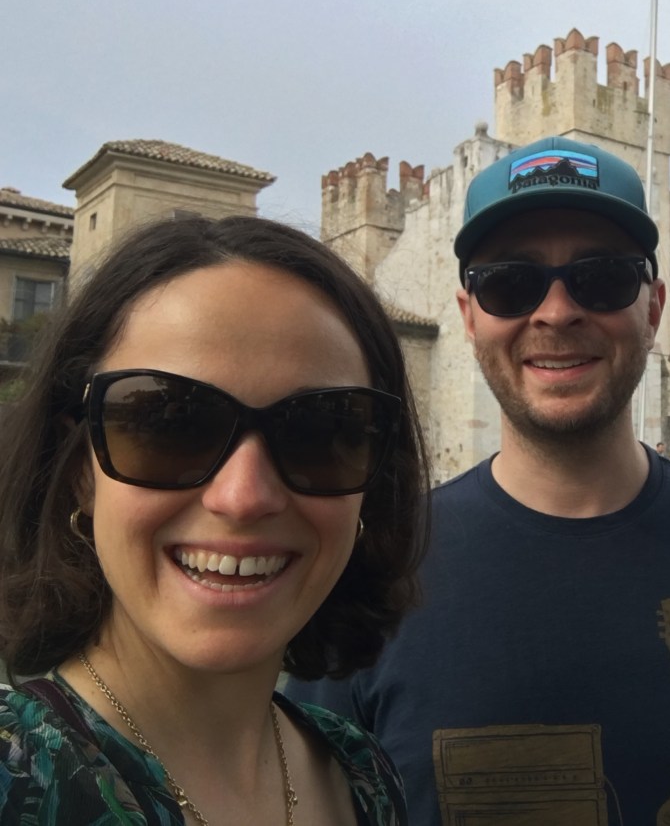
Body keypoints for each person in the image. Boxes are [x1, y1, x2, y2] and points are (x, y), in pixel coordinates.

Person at [288, 136, 670, 824]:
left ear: (653, 308)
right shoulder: (377, 564)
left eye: (601, 277)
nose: (556, 311)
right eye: (510, 283)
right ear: (469, 317)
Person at [0, 216, 429, 823]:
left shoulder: (364, 775)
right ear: (80, 471)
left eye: (321, 431)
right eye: (169, 425)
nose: (243, 496)